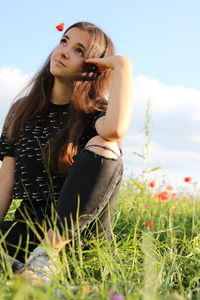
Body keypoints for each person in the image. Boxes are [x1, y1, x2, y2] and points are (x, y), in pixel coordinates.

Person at [0, 21, 133, 284]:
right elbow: (6, 180)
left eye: (79, 50)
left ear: (95, 66)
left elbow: (116, 131)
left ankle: (44, 258)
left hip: (77, 243)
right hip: (25, 233)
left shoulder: (96, 114)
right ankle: (28, 278)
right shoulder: (22, 111)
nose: (63, 51)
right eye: (64, 41)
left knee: (105, 145)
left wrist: (123, 66)